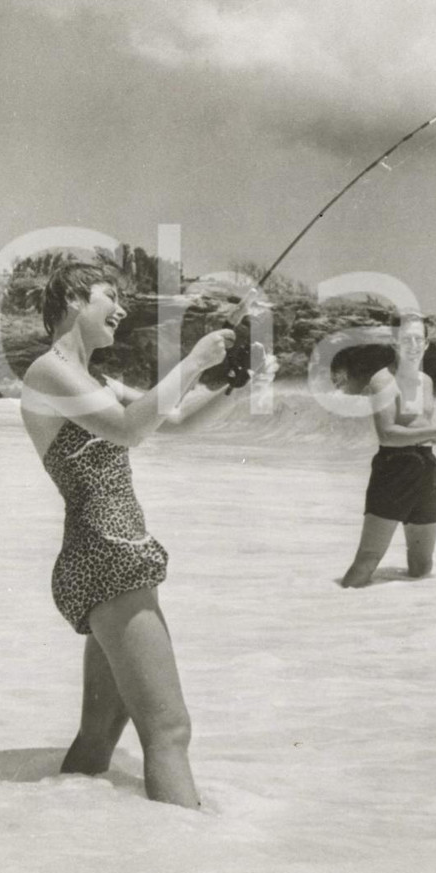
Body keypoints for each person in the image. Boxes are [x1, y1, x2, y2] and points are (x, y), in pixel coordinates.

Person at [21, 258, 274, 809]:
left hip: (107, 555)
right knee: (169, 731)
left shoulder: (93, 379)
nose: (122, 309)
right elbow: (130, 429)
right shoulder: (48, 371)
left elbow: (173, 424)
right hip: (108, 554)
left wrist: (231, 384)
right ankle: (186, 868)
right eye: (111, 295)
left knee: (99, 735)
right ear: (72, 300)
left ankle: (57, 829)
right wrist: (194, 359)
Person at [340, 311, 436, 589]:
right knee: (368, 560)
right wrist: (435, 432)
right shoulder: (383, 382)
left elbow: (419, 427)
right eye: (406, 339)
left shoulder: (427, 381)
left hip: (426, 469)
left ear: (427, 344)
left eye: (419, 339)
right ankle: (335, 614)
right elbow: (387, 435)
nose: (414, 345)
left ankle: (402, 621)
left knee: (422, 566)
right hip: (392, 469)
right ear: (394, 343)